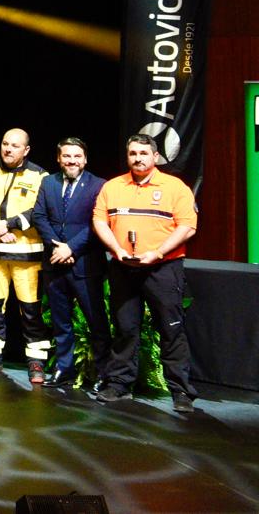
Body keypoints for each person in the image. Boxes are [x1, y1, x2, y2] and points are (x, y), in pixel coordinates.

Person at [92, 134, 198, 413]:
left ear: (155, 157)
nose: (137, 158)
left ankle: (181, 391)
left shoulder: (175, 187)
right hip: (123, 267)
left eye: (143, 153)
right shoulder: (113, 186)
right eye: (132, 153)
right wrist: (115, 248)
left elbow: (187, 226)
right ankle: (119, 384)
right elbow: (99, 220)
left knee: (171, 329)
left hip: (163, 268)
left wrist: (158, 252)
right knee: (125, 328)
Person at [31, 136, 107, 391]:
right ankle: (63, 370)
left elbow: (96, 224)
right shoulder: (48, 182)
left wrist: (71, 248)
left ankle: (102, 374)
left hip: (85, 264)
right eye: (67, 156)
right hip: (55, 262)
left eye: (77, 156)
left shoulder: (99, 185)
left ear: (85, 159)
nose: (71, 160)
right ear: (58, 158)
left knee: (96, 322)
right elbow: (39, 216)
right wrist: (57, 248)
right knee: (61, 322)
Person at [0, 127, 50, 384]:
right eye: (5, 143)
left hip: (27, 255)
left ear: (26, 150)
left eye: (15, 145)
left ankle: (36, 360)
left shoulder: (40, 175)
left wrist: (8, 225)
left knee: (31, 311)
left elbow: (40, 210)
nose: (8, 149)